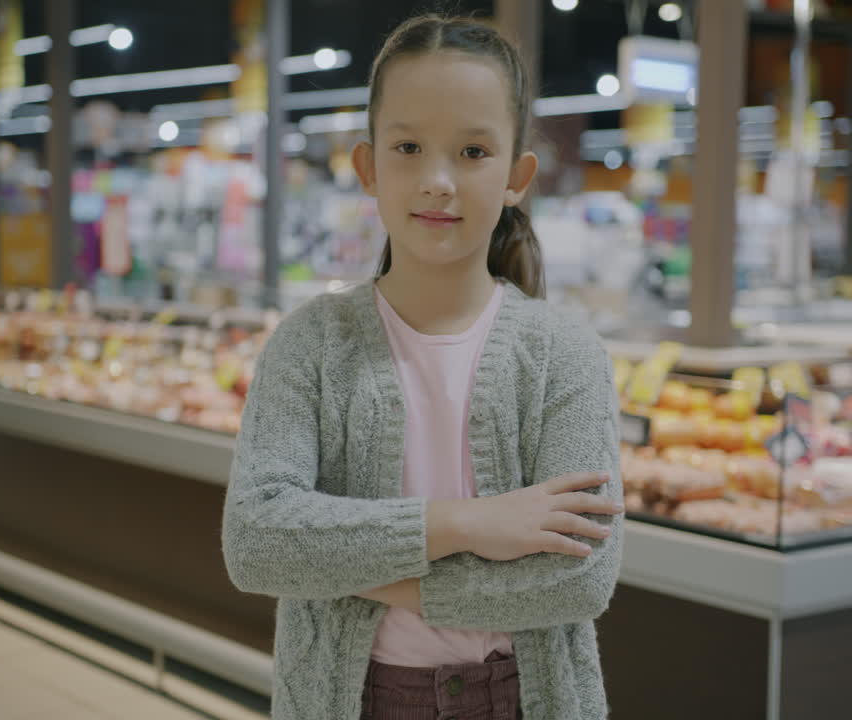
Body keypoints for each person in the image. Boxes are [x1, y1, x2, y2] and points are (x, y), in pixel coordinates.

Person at [223, 14, 624, 719]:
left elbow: (578, 580)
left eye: (473, 152)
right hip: (353, 698)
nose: (438, 180)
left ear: (517, 176)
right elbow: (259, 542)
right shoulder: (310, 344)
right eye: (409, 147)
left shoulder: (564, 353)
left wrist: (353, 570)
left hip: (528, 700)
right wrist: (468, 524)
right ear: (368, 167)